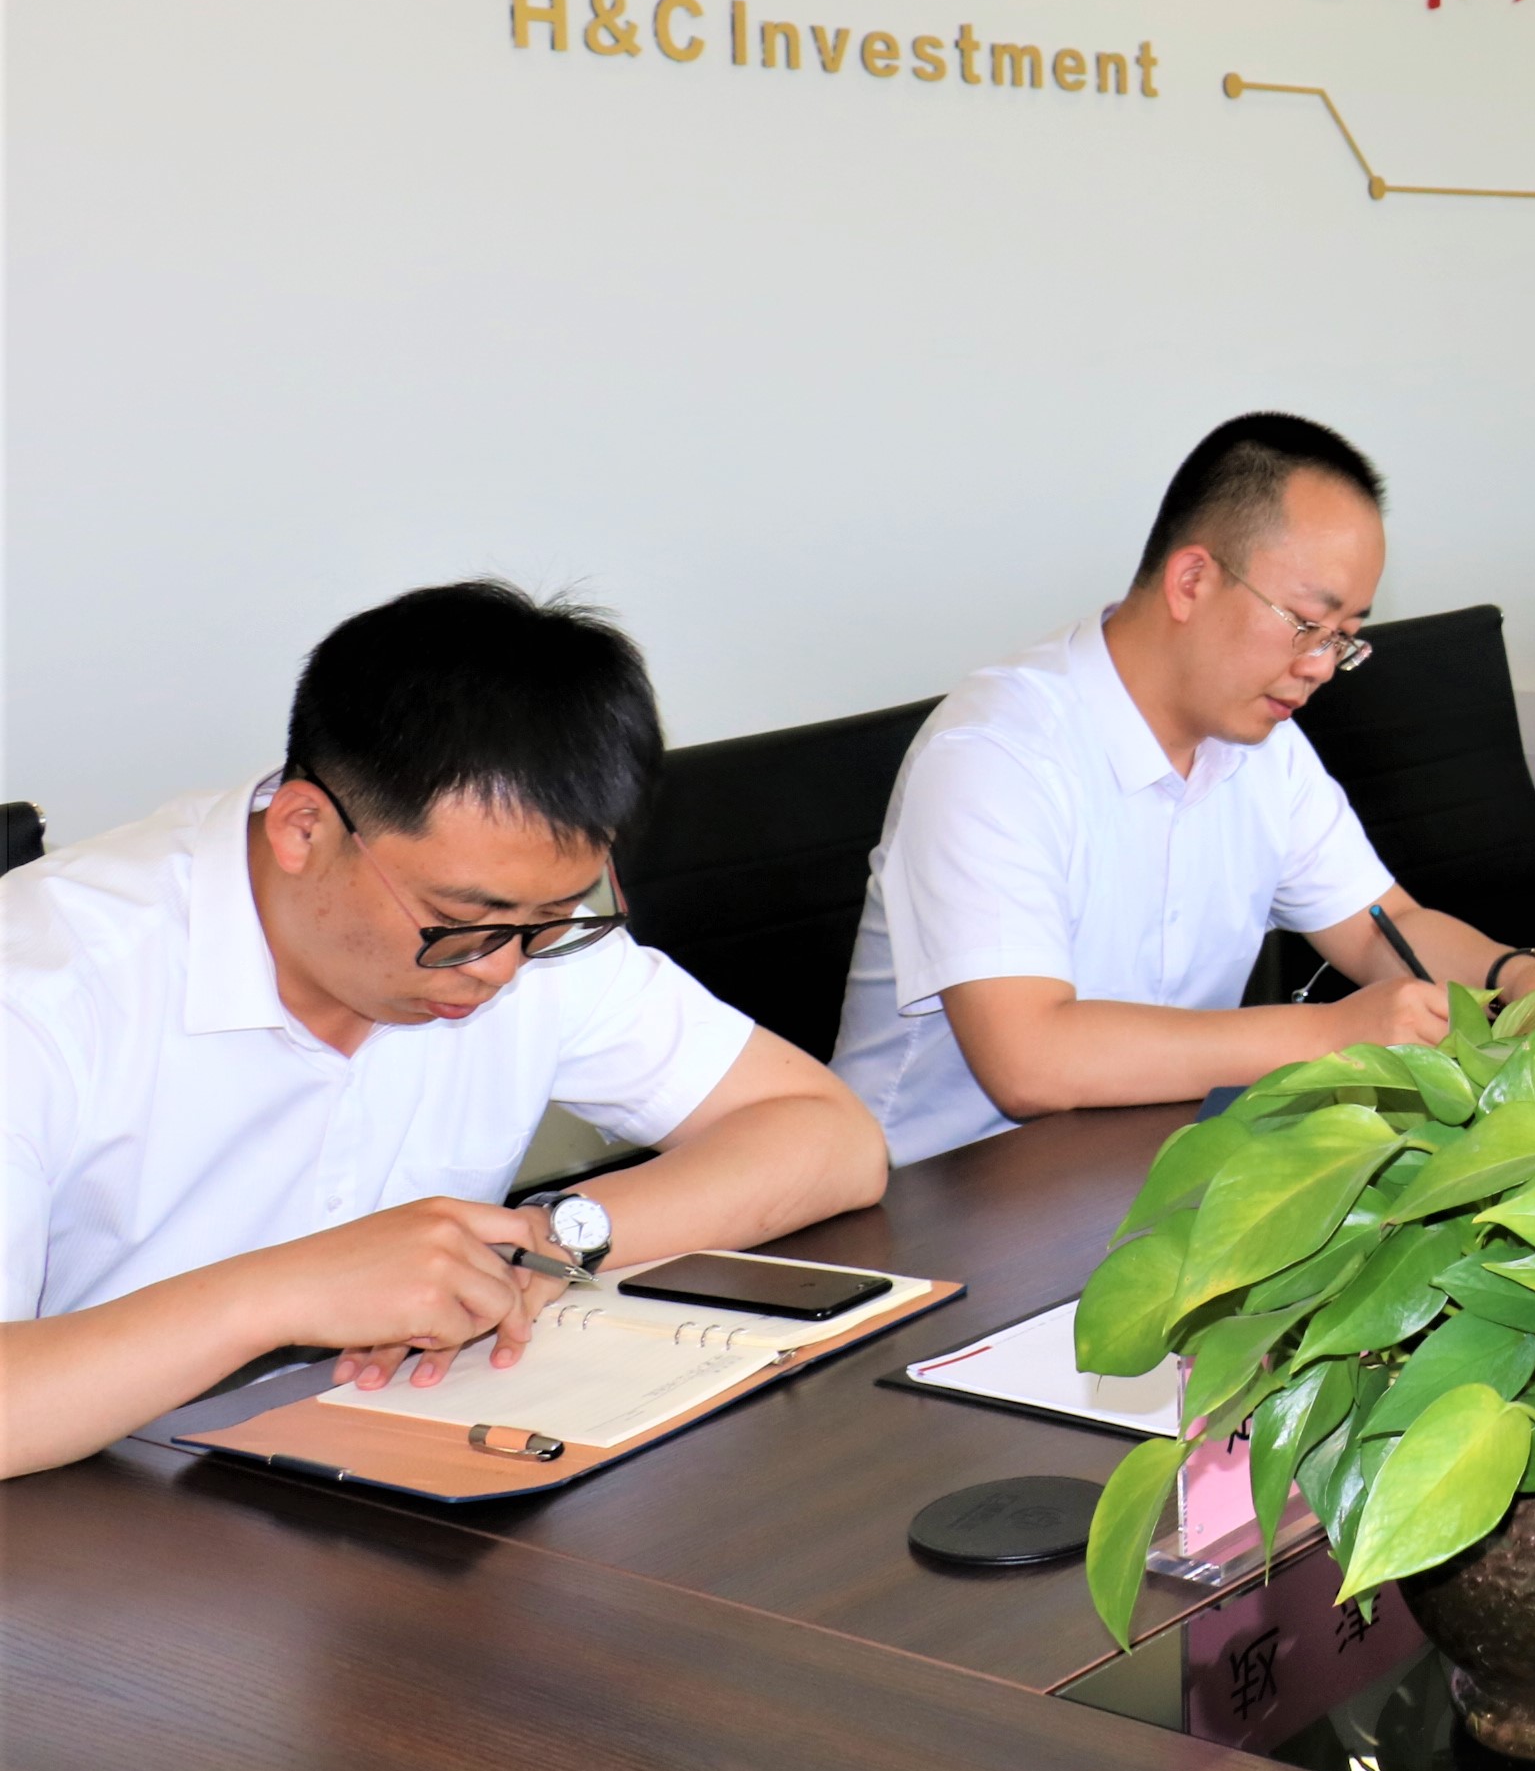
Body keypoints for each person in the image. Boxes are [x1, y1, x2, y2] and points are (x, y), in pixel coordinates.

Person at [1, 583, 889, 1479]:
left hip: (376, 1462)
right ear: (304, 828)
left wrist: (542, 1245)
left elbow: (829, 1138)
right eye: (461, 922)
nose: (501, 969)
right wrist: (276, 1296)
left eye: (555, 915)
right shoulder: (42, 987)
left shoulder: (524, 928)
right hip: (86, 1505)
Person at [835, 414, 1535, 1169]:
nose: (1321, 666)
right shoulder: (996, 755)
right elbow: (1030, 1059)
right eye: (1307, 623)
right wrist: (1333, 1034)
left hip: (1149, 1161)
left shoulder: (1261, 743)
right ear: (1192, 580)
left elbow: (1382, 928)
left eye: (1343, 638)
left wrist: (1516, 980)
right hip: (934, 1194)